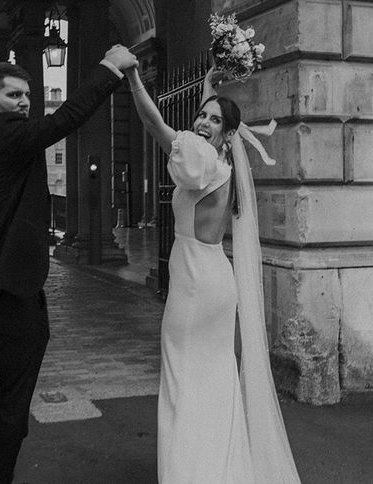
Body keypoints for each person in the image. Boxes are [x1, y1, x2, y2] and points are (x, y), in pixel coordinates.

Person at [0, 44, 138, 484]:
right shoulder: (7, 134)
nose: (24, 104)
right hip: (9, 296)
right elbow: (66, 119)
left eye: (27, 96)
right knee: (12, 403)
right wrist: (109, 67)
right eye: (13, 96)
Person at [125, 64, 301, 483]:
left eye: (215, 120)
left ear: (227, 134)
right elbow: (201, 134)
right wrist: (208, 91)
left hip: (196, 284)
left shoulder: (201, 155)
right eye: (202, 115)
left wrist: (131, 74)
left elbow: (153, 122)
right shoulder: (223, 166)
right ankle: (220, 468)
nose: (203, 121)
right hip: (214, 278)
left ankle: (187, 473)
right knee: (213, 377)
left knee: (180, 376)